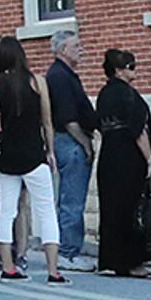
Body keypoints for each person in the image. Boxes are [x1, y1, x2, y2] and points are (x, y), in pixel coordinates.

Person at [0, 32, 64, 283]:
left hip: (7, 153)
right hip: (34, 151)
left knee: (6, 210)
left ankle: (7, 266)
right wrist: (50, 151)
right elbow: (47, 121)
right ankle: (53, 270)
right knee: (46, 210)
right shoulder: (37, 81)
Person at [94, 47, 151, 278]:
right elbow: (138, 128)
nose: (135, 71)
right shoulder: (128, 95)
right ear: (119, 71)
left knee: (112, 208)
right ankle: (134, 262)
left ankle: (111, 260)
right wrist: (150, 158)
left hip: (109, 155)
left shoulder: (104, 94)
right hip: (129, 157)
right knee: (133, 207)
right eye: (131, 67)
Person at [45, 29, 95, 266]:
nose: (81, 50)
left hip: (68, 140)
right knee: (72, 200)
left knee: (71, 199)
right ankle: (67, 251)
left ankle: (68, 249)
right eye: (76, 46)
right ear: (63, 49)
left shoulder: (66, 74)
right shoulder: (59, 76)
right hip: (69, 141)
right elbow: (68, 117)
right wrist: (85, 143)